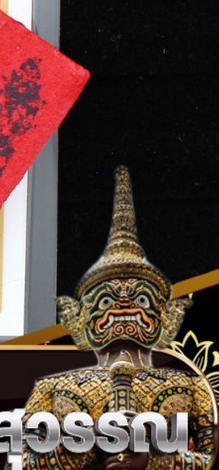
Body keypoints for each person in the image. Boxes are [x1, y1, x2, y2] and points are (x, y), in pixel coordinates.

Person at [21, 167, 215, 470]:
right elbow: (20, 461)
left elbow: (211, 456)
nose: (124, 304)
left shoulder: (191, 386)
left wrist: (155, 459)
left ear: (167, 315)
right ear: (79, 317)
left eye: (141, 299)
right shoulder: (53, 388)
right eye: (106, 300)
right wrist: (84, 445)